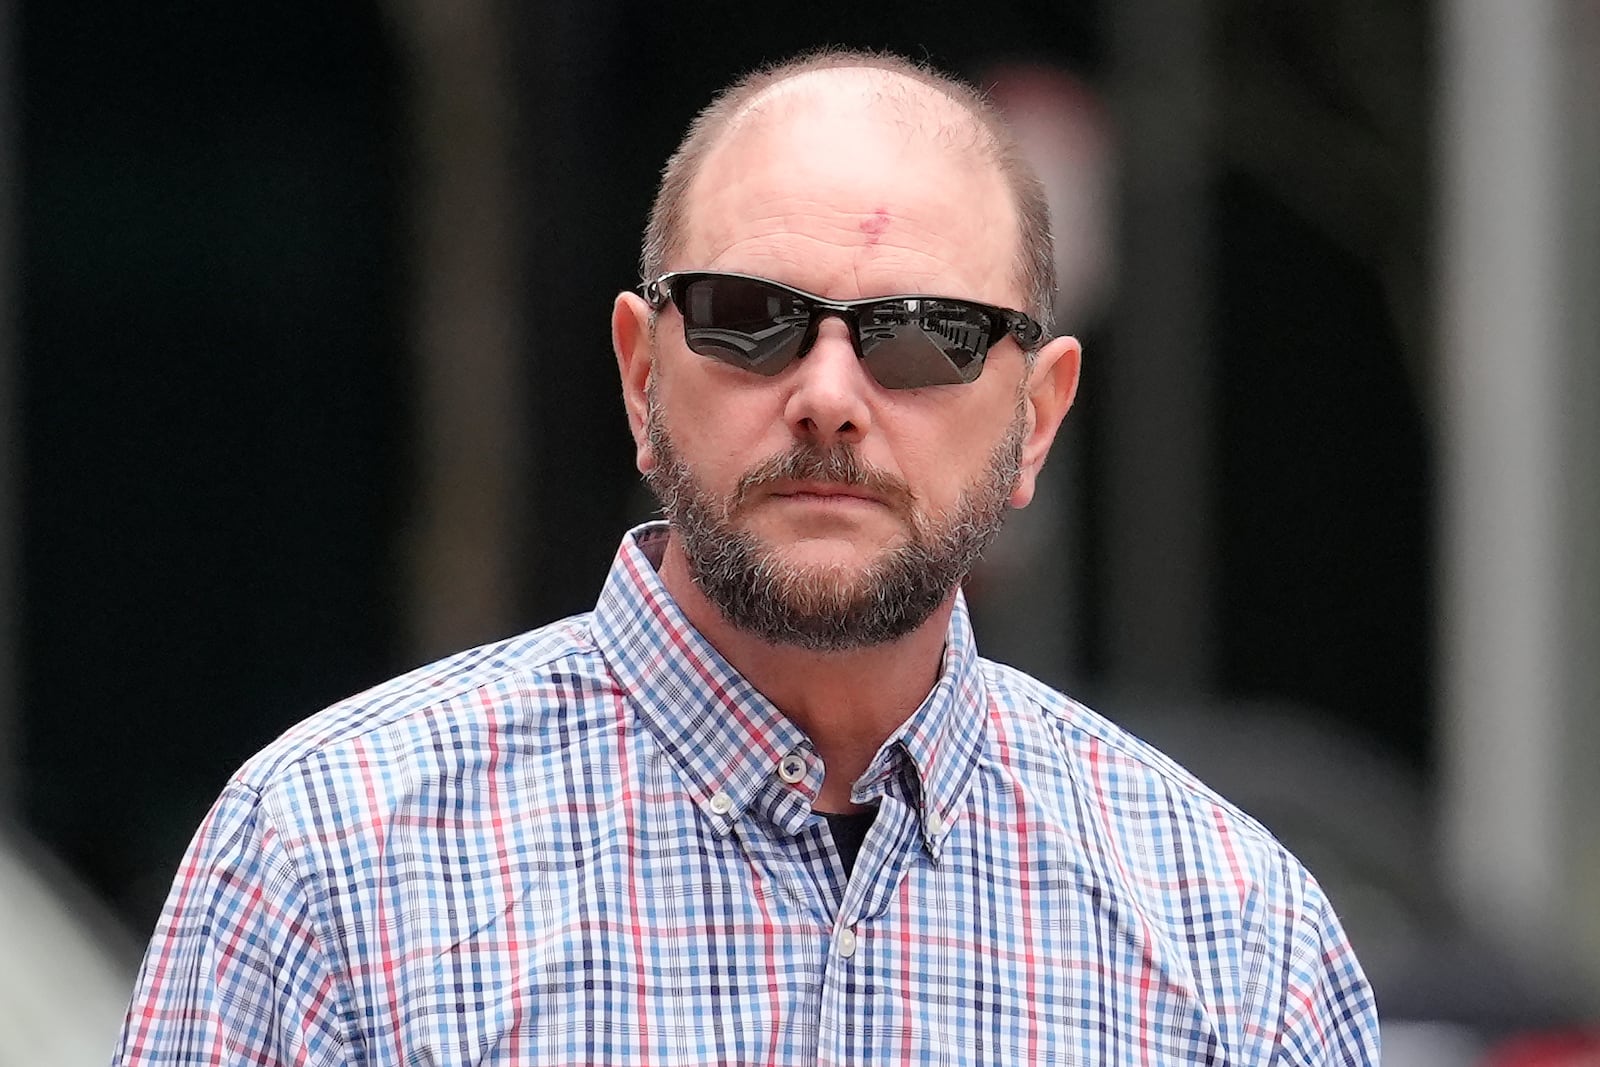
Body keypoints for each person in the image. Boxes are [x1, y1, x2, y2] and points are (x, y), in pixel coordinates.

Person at [114, 50, 1379, 1066]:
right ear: (640, 373)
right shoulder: (330, 861)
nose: (829, 394)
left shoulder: (1227, 931)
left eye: (924, 333)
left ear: (1036, 415)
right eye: (745, 318)